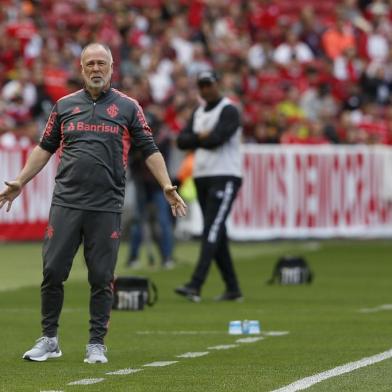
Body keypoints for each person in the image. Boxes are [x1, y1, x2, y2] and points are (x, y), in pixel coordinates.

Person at [0, 43, 186, 363]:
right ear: (81, 68)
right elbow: (44, 147)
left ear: (112, 68)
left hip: (106, 204)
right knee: (53, 271)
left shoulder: (129, 107)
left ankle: (96, 343)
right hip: (67, 201)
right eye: (90, 64)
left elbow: (150, 148)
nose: (96, 69)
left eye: (102, 63)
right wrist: (20, 181)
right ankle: (49, 339)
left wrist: (167, 184)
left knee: (101, 277)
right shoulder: (64, 105)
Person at [174, 70, 243, 303]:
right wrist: (202, 136)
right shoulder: (199, 111)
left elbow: (218, 139)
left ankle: (196, 283)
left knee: (211, 230)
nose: (205, 90)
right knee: (217, 232)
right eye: (201, 86)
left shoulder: (229, 110)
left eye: (209, 85)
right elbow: (181, 140)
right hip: (203, 175)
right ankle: (233, 287)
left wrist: (199, 137)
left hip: (225, 174)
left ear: (217, 85)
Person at [126, 109, 175, 269]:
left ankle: (167, 256)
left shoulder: (163, 138)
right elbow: (130, 157)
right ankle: (133, 257)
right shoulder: (135, 139)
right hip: (142, 182)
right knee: (138, 220)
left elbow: (161, 160)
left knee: (162, 221)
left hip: (158, 184)